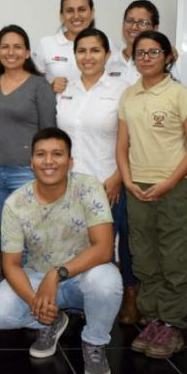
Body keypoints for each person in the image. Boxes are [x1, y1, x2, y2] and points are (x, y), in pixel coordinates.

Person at [0, 127, 121, 374]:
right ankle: (52, 320)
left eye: (57, 154)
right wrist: (35, 302)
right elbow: (10, 265)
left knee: (107, 281)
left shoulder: (89, 187)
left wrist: (56, 274)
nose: (49, 161)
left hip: (84, 276)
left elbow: (103, 248)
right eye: (41, 154)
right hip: (38, 277)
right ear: (31, 162)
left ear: (70, 162)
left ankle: (94, 343)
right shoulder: (15, 203)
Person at [116, 30, 187, 359]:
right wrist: (127, 181)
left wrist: (169, 183)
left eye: (154, 52)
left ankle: (171, 323)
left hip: (174, 187)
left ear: (167, 56)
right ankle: (153, 320)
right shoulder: (129, 96)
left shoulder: (179, 93)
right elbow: (122, 146)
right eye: (140, 52)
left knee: (174, 257)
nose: (146, 58)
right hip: (137, 186)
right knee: (144, 257)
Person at [56, 28, 137, 324]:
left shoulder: (123, 89)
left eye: (94, 50)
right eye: (81, 51)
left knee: (114, 248)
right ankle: (83, 300)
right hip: (71, 187)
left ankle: (127, 298)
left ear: (107, 54)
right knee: (78, 248)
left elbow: (133, 138)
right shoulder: (66, 89)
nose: (87, 57)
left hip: (108, 184)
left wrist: (117, 177)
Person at [0, 24, 54, 238]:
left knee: (29, 235)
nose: (11, 52)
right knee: (1, 235)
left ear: (27, 53)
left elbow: (49, 133)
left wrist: (42, 167)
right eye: (5, 47)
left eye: (17, 47)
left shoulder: (40, 85)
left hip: (26, 172)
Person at [33, 0, 95, 94]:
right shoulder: (46, 44)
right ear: (61, 16)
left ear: (92, 13)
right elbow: (32, 87)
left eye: (82, 10)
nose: (76, 16)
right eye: (70, 11)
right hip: (56, 105)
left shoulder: (106, 44)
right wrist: (50, 88)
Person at [105, 0, 160, 84]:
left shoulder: (161, 62)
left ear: (155, 28)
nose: (134, 27)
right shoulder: (108, 61)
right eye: (129, 21)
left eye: (142, 23)